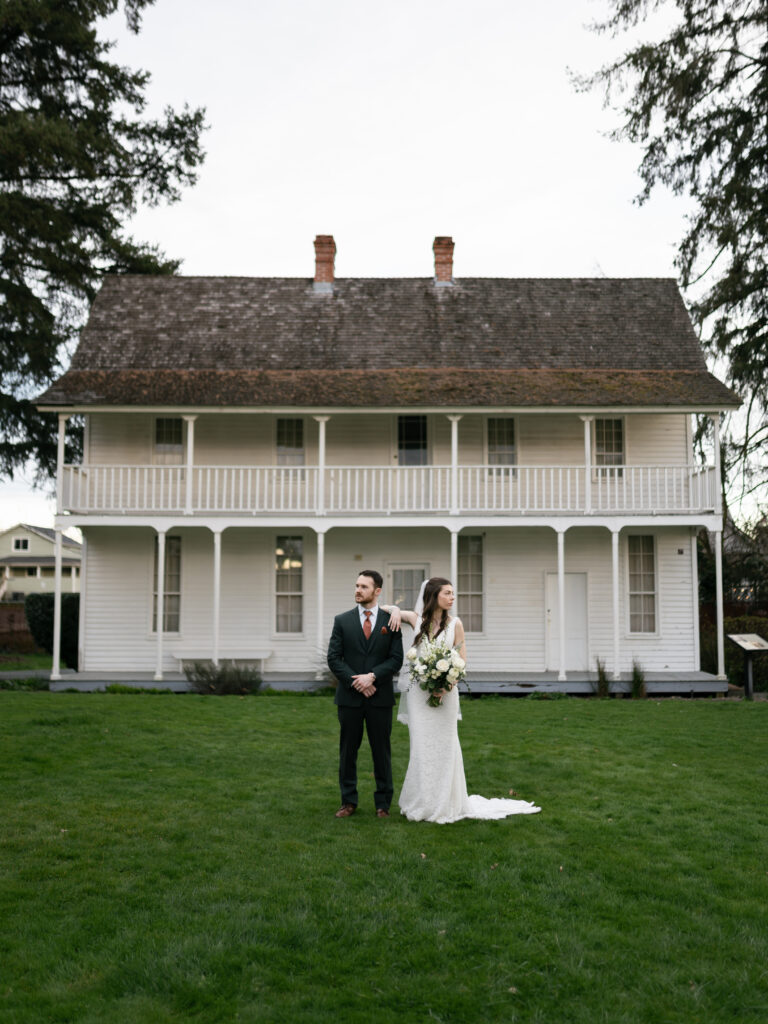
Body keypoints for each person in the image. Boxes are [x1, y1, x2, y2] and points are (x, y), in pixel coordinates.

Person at [384, 577, 541, 823]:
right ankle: (423, 801)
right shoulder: (417, 620)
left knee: (446, 747)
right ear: (434, 595)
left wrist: (445, 686)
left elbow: (461, 660)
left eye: (453, 593)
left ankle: (447, 802)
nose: (452, 597)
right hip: (418, 695)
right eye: (447, 593)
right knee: (421, 748)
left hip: (445, 695)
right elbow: (384, 609)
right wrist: (395, 609)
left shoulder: (455, 623)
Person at [327, 570, 404, 819]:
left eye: (364, 586)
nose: (358, 590)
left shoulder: (390, 620)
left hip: (379, 697)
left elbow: (396, 659)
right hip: (349, 698)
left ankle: (383, 804)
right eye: (357, 585)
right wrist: (357, 682)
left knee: (381, 751)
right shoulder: (342, 620)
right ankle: (348, 801)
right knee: (348, 750)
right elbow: (334, 658)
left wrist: (372, 677)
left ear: (377, 591)